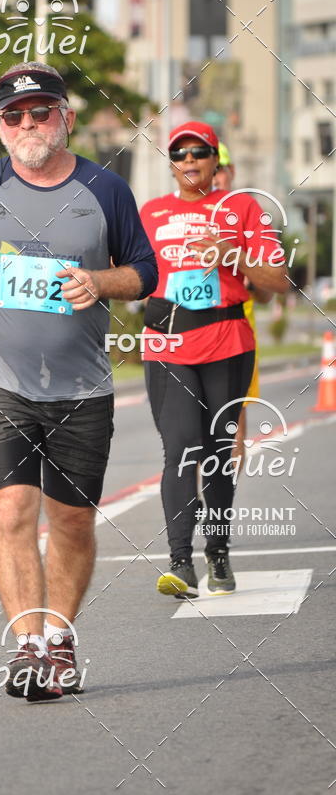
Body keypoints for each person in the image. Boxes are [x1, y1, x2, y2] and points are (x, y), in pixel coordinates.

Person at [0, 61, 157, 700]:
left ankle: (60, 636)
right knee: (11, 511)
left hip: (81, 385)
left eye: (41, 111)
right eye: (14, 115)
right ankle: (28, 646)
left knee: (73, 522)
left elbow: (144, 270)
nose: (28, 124)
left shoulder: (106, 189)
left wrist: (102, 282)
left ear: (66, 118)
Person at [139, 121, 288, 598]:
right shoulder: (152, 212)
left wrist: (234, 256)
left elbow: (279, 281)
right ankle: (180, 563)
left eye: (198, 153)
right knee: (181, 448)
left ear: (214, 160)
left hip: (227, 341)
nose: (188, 162)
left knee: (219, 455)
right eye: (179, 154)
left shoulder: (241, 207)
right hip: (167, 345)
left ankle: (217, 551)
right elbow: (130, 273)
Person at [214, 142, 273, 470]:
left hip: (238, 330)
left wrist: (254, 275)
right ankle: (193, 504)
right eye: (213, 168)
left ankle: (224, 496)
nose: (217, 176)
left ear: (232, 171)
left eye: (222, 168)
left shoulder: (246, 213)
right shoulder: (188, 213)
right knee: (194, 425)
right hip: (193, 331)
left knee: (234, 414)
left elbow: (269, 287)